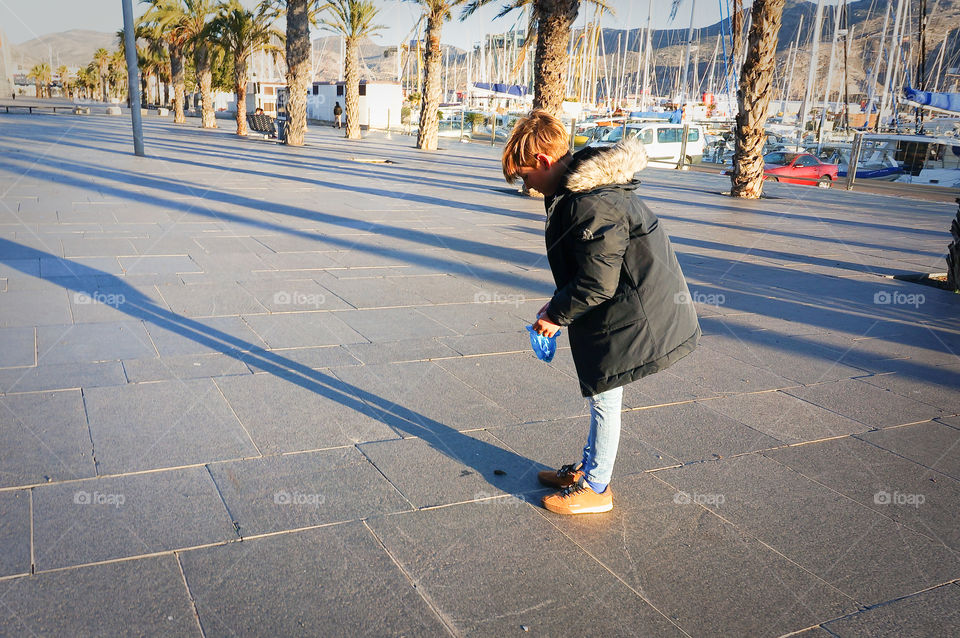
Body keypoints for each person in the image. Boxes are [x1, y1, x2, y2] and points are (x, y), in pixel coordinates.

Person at [502, 110, 700, 515]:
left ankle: (597, 486)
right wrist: (556, 305)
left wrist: (555, 315)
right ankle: (590, 468)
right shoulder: (575, 190)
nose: (527, 186)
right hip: (622, 303)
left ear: (542, 161)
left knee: (605, 395)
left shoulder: (591, 203)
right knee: (601, 391)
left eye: (525, 177)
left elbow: (597, 283)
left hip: (634, 310)